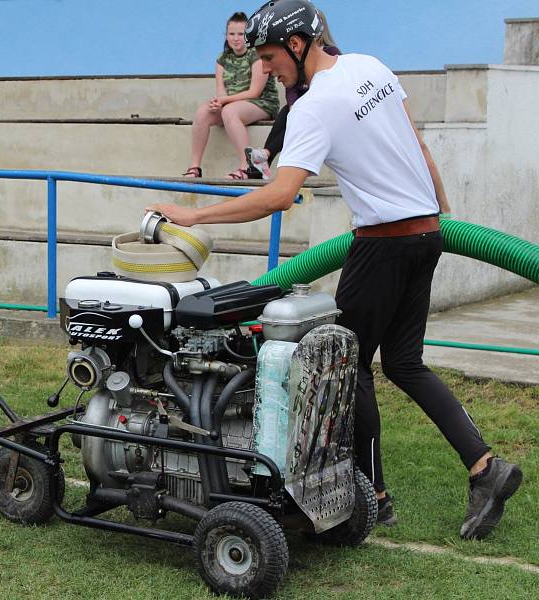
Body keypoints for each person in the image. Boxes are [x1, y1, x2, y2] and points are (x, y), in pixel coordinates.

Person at [151, 0, 521, 539]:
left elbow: (279, 195)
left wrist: (192, 214)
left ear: (299, 45)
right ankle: (485, 468)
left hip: (383, 245)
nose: (268, 68)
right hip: (425, 234)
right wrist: (438, 218)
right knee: (403, 362)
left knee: (349, 365)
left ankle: (372, 494)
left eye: (272, 56)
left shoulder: (315, 106)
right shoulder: (370, 67)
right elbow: (417, 145)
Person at [182, 11, 280, 180]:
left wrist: (224, 102)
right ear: (226, 36)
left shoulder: (256, 54)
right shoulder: (222, 58)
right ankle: (195, 167)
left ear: (248, 35)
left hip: (261, 103)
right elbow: (221, 89)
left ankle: (246, 167)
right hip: (233, 104)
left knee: (229, 112)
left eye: (241, 34)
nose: (236, 38)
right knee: (202, 112)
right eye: (231, 34)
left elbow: (254, 92)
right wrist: (218, 102)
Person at [244, 8, 340, 179]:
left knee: (298, 115)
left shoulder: (332, 54)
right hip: (302, 105)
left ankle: (265, 155)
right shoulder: (295, 68)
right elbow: (291, 89)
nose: (265, 69)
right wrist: (294, 105)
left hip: (317, 107)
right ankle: (266, 156)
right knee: (288, 113)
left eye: (268, 58)